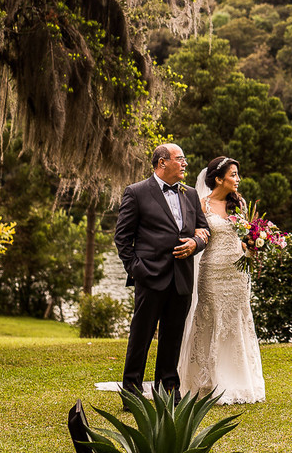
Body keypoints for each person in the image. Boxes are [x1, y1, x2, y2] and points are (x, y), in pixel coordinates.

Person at [113, 143, 210, 402]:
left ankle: (168, 392)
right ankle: (131, 394)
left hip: (181, 278)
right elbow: (122, 239)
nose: (185, 164)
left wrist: (195, 244)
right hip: (150, 277)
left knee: (173, 337)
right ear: (162, 162)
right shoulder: (136, 192)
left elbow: (203, 230)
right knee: (140, 338)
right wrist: (138, 270)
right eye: (180, 159)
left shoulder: (190, 194)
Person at [178, 155, 266, 404]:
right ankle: (208, 381)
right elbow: (198, 236)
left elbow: (244, 237)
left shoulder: (240, 204)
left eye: (238, 174)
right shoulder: (201, 205)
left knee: (237, 319)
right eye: (233, 175)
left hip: (237, 273)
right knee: (211, 318)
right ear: (218, 179)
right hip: (212, 270)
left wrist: (253, 246)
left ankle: (238, 380)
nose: (238, 179)